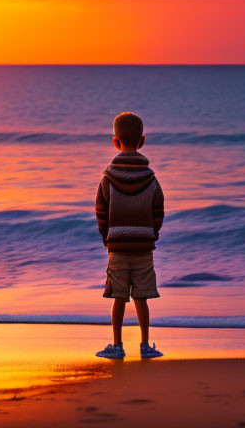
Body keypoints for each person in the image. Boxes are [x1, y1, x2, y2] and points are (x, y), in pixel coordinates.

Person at [94, 111, 165, 359]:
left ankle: (117, 345)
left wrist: (108, 238)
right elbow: (158, 210)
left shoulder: (108, 178)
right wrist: (151, 234)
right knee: (142, 297)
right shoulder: (151, 179)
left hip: (118, 246)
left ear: (115, 141)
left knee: (118, 296)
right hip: (144, 247)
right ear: (142, 141)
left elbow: (101, 211)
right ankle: (145, 346)